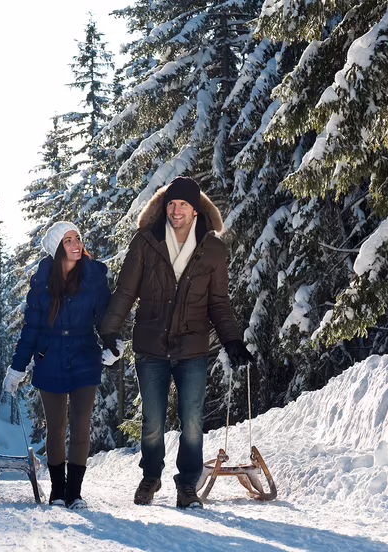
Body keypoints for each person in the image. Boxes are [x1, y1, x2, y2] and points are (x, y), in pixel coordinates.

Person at [99, 176, 253, 509]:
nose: (176, 210)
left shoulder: (213, 249)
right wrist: (110, 330)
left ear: (196, 209)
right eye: (171, 203)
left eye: (183, 204)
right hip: (151, 346)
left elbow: (218, 303)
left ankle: (187, 485)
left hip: (191, 347)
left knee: (193, 422)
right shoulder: (146, 241)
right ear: (164, 207)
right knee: (153, 421)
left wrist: (232, 340)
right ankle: (150, 477)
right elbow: (125, 291)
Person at [4, 221, 111, 509]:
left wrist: (113, 344)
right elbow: (31, 328)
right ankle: (58, 491)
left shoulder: (94, 276)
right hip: (50, 359)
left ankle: (74, 493)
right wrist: (17, 368)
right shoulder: (42, 282)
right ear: (56, 248)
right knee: (56, 427)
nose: (76, 244)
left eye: (77, 238)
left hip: (85, 357)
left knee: (81, 426)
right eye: (68, 240)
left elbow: (105, 318)